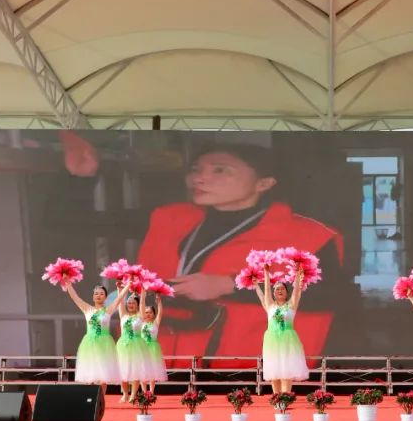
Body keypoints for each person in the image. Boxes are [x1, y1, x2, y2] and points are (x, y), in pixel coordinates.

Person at [136, 143, 344, 367]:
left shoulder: (309, 235)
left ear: (264, 183)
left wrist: (229, 285)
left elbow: (328, 295)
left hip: (246, 369)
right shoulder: (168, 220)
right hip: (156, 360)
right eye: (195, 169)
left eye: (220, 170)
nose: (198, 178)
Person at [257, 267, 309, 394]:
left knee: (286, 372)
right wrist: (266, 272)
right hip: (272, 342)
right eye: (277, 289)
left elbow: (296, 291)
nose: (280, 291)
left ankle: (285, 399)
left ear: (286, 292)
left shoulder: (291, 305)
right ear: (273, 293)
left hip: (288, 341)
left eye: (282, 289)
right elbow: (266, 291)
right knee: (274, 372)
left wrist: (298, 274)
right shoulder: (270, 306)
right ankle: (276, 399)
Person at [63, 281, 125, 386]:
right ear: (93, 297)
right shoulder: (87, 309)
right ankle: (92, 396)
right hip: (90, 345)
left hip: (105, 345)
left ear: (106, 297)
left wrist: (128, 284)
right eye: (96, 294)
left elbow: (119, 298)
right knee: (91, 375)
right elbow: (75, 297)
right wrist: (68, 283)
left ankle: (102, 396)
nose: (98, 296)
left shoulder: (108, 310)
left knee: (103, 377)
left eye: (101, 294)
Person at [116, 290, 152, 404]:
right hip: (123, 345)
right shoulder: (123, 315)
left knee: (135, 370)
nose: (130, 305)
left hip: (136, 345)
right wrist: (119, 289)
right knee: (122, 371)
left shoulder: (140, 316)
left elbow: (142, 303)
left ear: (137, 305)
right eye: (129, 303)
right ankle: (125, 394)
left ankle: (133, 395)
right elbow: (120, 301)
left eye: (133, 303)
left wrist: (143, 292)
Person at [139, 293, 168, 394]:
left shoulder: (156, 323)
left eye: (150, 312)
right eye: (146, 312)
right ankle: (144, 392)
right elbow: (141, 306)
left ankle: (151, 392)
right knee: (142, 370)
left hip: (153, 348)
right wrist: (142, 296)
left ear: (154, 314)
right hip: (142, 348)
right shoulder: (141, 323)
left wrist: (159, 302)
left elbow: (160, 313)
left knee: (153, 370)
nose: (148, 314)